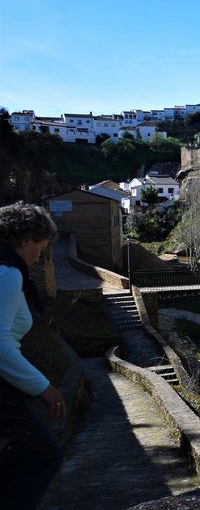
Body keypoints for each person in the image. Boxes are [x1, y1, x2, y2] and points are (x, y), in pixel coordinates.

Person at [0, 202, 63, 509]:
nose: (40, 254)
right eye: (40, 245)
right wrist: (43, 388)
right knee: (44, 456)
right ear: (24, 240)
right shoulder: (8, 274)